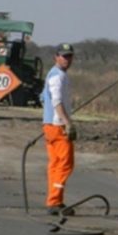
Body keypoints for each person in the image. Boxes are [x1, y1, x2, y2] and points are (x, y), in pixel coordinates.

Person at [41, 43, 77, 216]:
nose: (67, 59)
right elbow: (56, 101)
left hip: (50, 125)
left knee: (55, 165)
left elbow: (43, 97)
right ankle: (54, 201)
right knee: (65, 165)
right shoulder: (57, 77)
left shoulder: (54, 74)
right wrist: (67, 122)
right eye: (63, 56)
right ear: (56, 57)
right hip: (57, 126)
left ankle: (55, 201)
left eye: (69, 56)